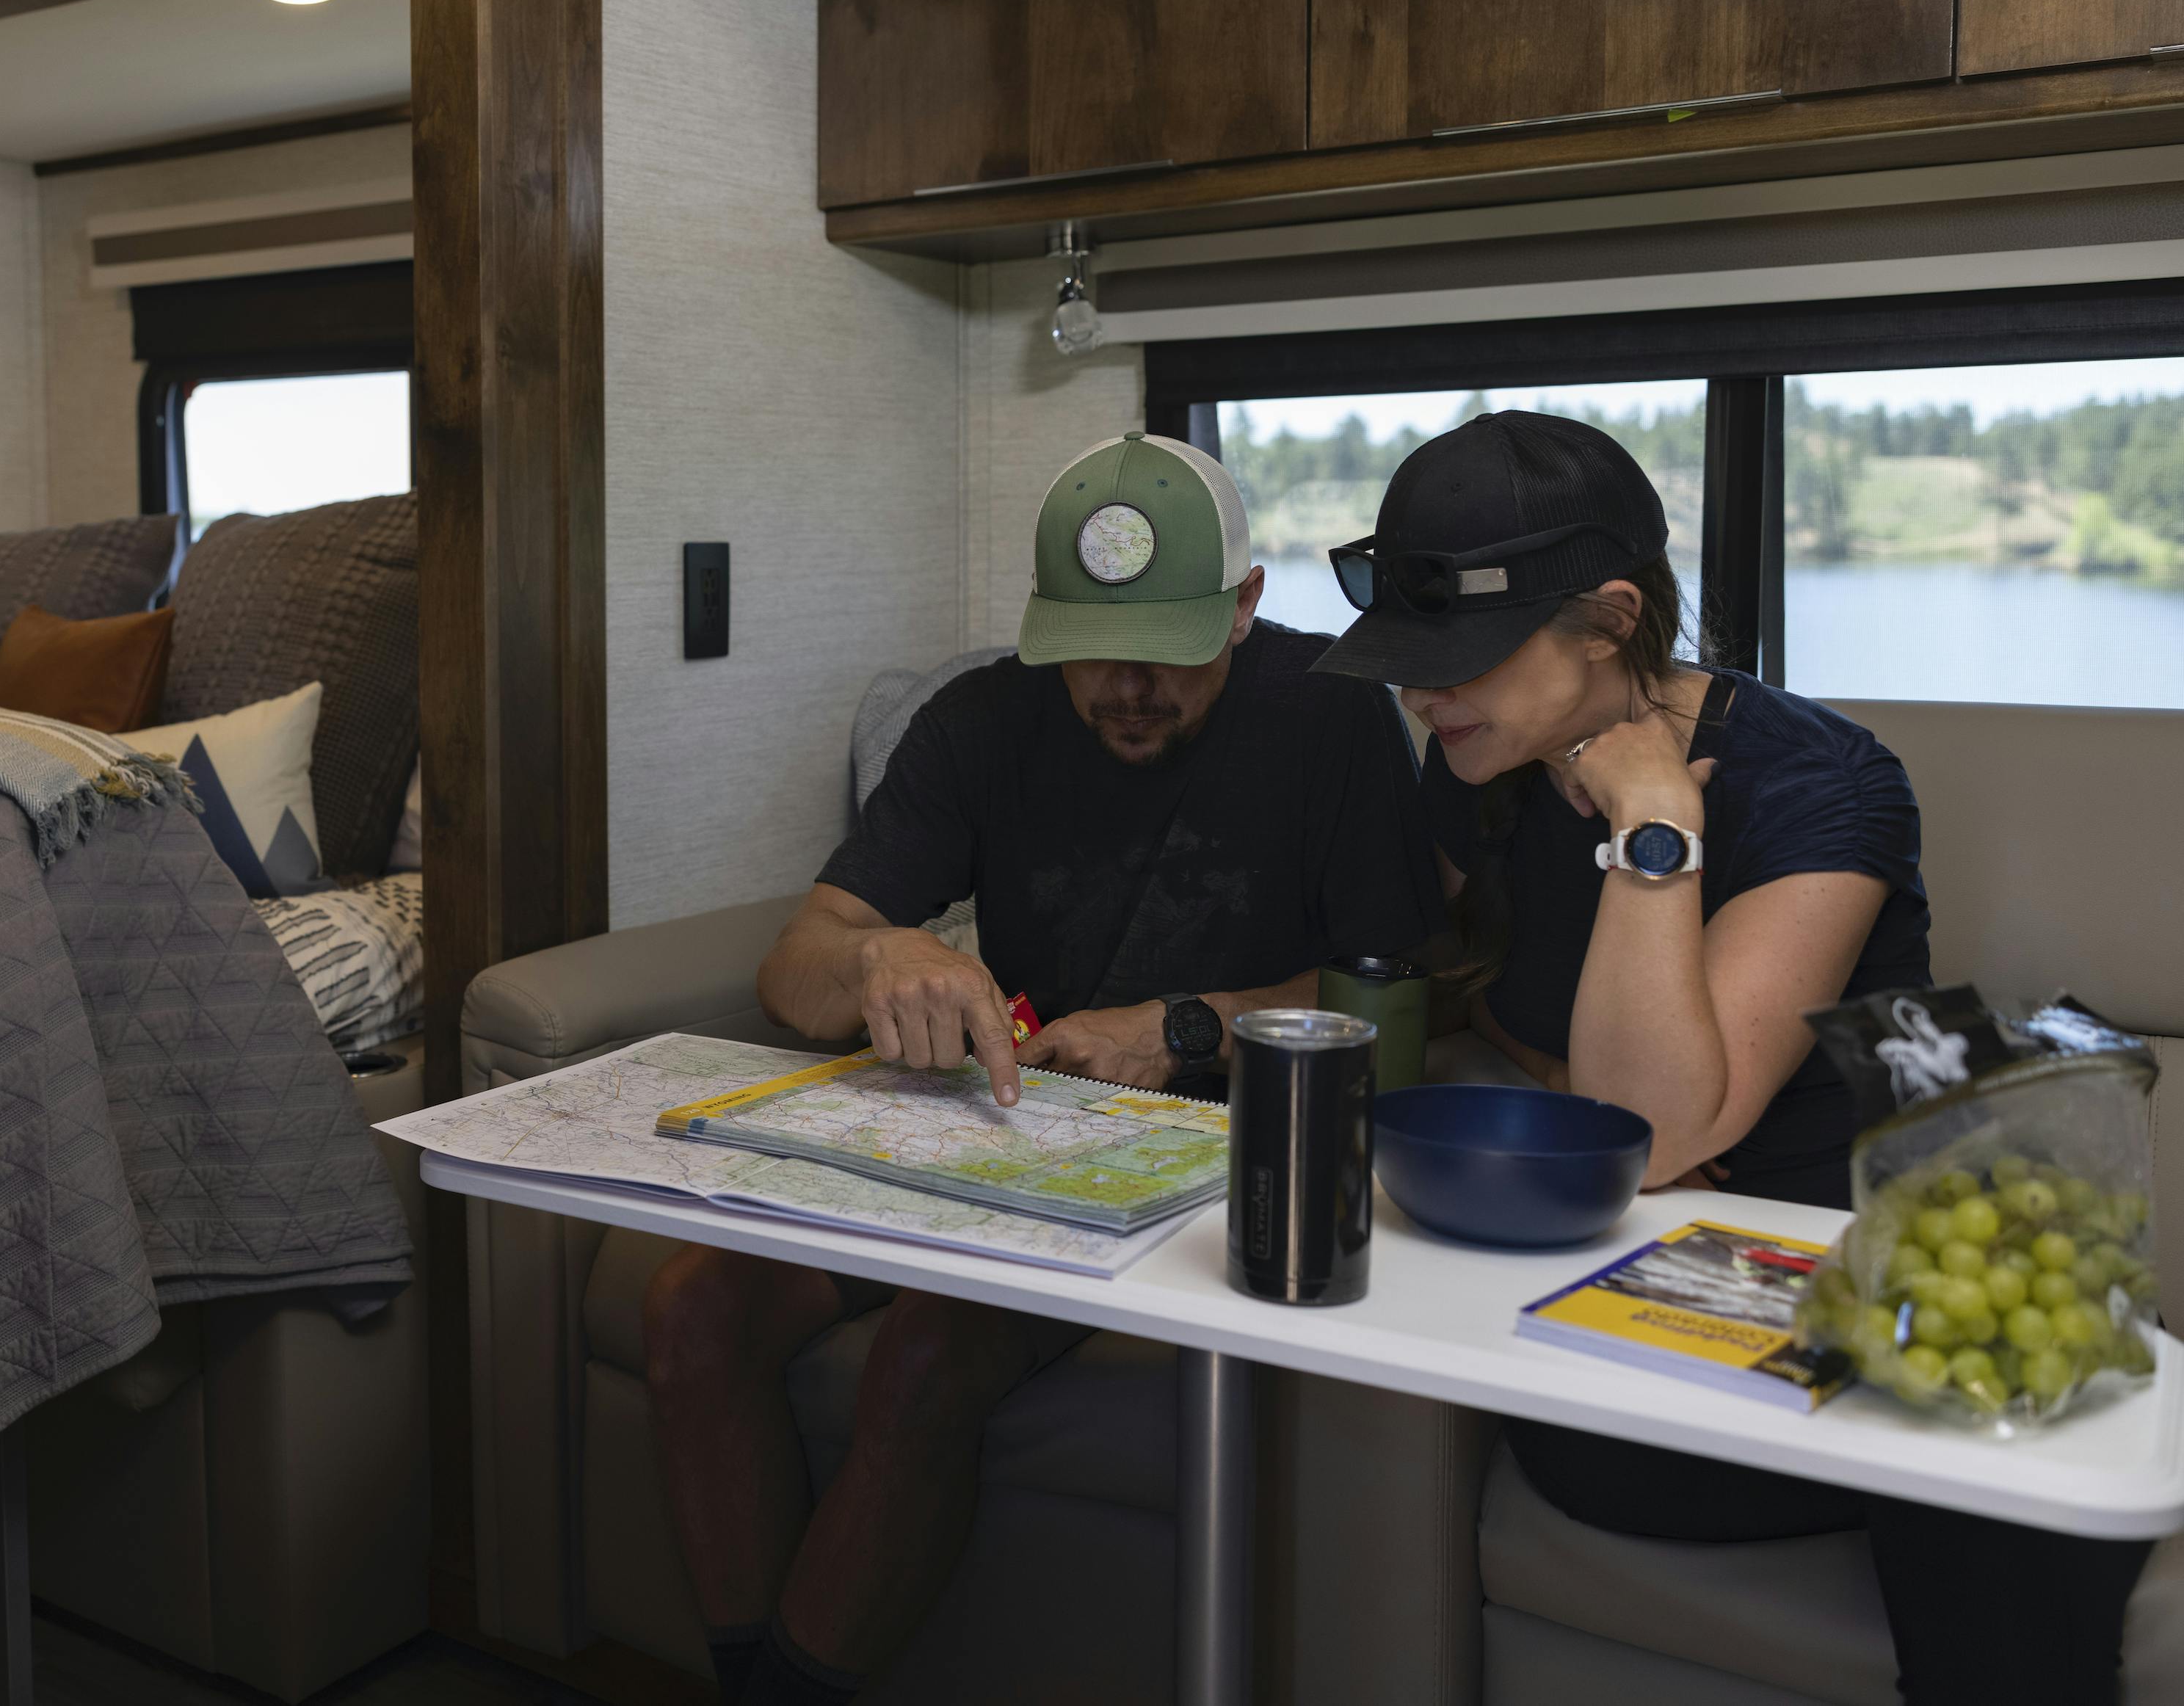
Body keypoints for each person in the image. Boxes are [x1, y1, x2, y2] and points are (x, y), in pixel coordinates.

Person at [1310, 408, 2148, 1705]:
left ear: (1609, 619)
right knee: (1554, 1436)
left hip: (1864, 1262)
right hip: (1655, 1289)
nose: (1424, 693)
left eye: (1462, 656)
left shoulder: (1822, 784)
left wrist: (1657, 817)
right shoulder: (1480, 763)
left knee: (1991, 1478)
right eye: (1411, 658)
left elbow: (1651, 1121)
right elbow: (1481, 1011)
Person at [642, 432, 1443, 1706]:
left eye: (1169, 652)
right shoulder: (982, 718)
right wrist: (879, 958)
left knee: (924, 1353)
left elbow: (1394, 999)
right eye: (1086, 646)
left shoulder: (1332, 713)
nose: (1125, 686)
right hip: (1010, 1123)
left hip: (1219, 1143)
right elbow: (794, 970)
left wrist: (1182, 1026)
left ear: (1243, 608)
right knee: (691, 1309)